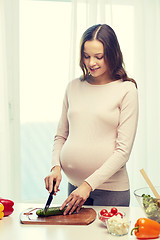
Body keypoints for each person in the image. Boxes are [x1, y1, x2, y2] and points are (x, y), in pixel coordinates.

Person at [44, 24, 138, 215]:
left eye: (98, 56)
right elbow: (61, 135)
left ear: (112, 54)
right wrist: (55, 167)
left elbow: (123, 152)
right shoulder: (73, 87)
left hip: (111, 191)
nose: (91, 62)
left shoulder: (126, 90)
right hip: (75, 189)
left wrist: (88, 185)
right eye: (86, 56)